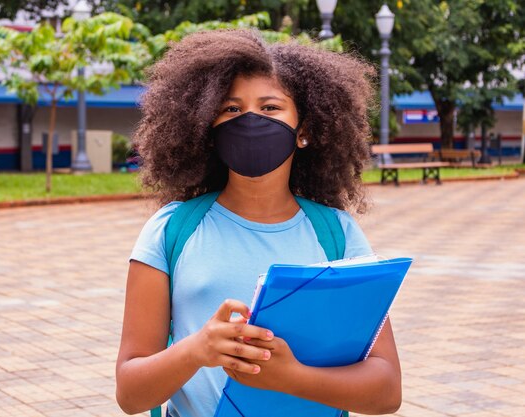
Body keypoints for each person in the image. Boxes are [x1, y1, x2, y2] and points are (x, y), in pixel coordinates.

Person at [116, 29, 401, 417]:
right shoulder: (170, 231)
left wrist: (289, 376)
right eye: (231, 109)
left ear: (304, 131)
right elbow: (130, 394)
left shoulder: (338, 234)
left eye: (270, 108)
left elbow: (386, 391)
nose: (250, 120)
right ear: (207, 128)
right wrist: (197, 349)